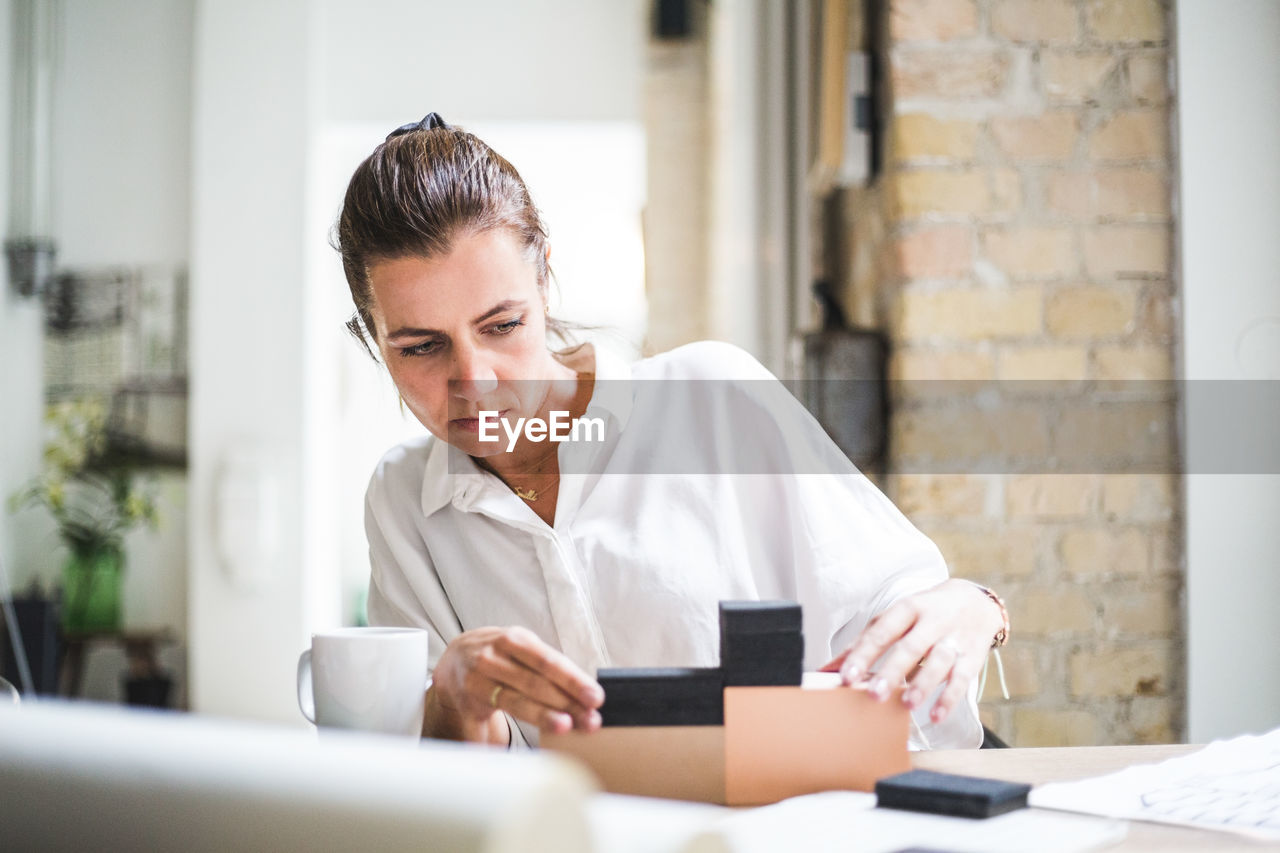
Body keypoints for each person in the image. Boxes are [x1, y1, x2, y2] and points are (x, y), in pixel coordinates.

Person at [335, 113, 1008, 750]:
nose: (474, 381)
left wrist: (970, 607)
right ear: (373, 339)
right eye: (421, 347)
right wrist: (452, 703)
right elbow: (434, 791)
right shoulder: (403, 505)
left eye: (502, 324)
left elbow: (903, 627)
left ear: (544, 280)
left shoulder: (711, 401)